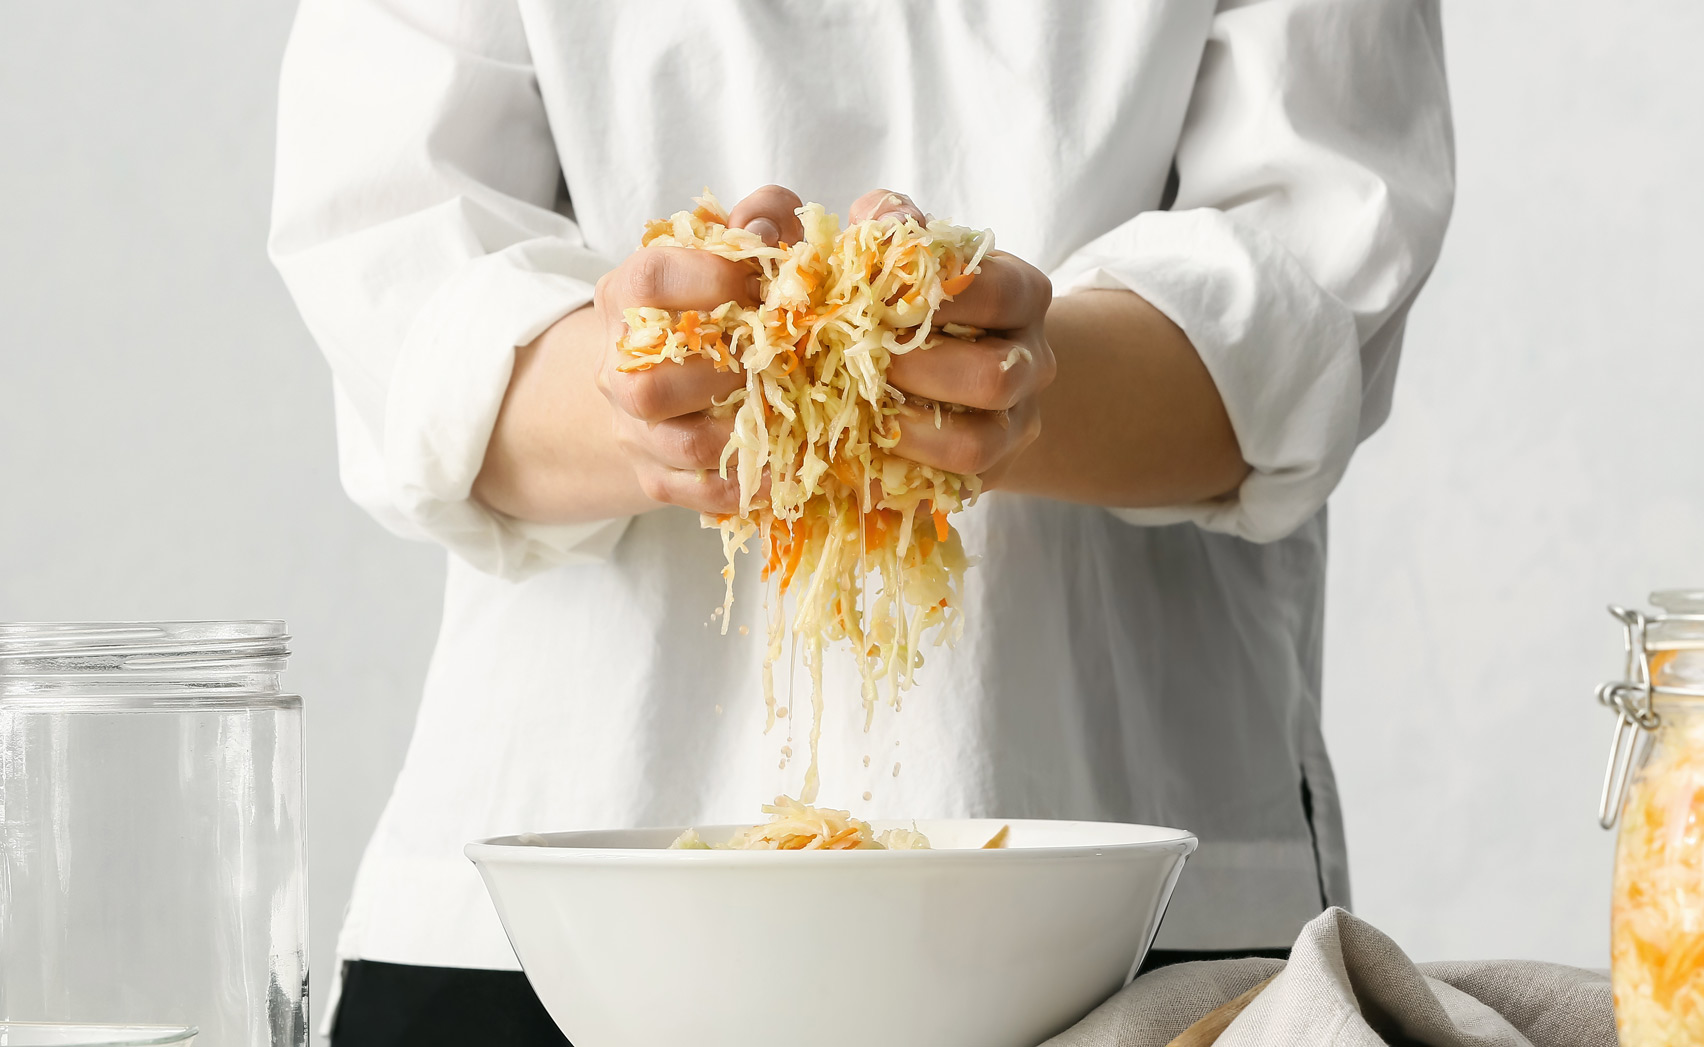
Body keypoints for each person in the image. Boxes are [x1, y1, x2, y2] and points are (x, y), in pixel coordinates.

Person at [269, 2, 1454, 1044]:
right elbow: (399, 284)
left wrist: (1012, 385)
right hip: (559, 905)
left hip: (1130, 899)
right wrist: (640, 394)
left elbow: (1307, 292)